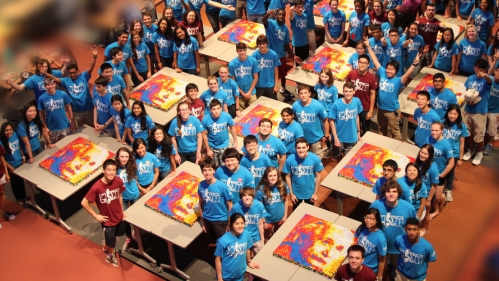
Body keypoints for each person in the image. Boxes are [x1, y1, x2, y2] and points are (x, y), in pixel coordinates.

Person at [365, 36, 421, 140]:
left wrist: (414, 64)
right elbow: (375, 59)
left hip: (392, 111)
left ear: (396, 71)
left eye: (392, 69)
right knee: (381, 128)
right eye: (388, 69)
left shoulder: (398, 80)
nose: (389, 71)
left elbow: (407, 75)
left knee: (395, 132)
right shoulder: (382, 72)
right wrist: (368, 46)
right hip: (380, 108)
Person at [81, 159, 126, 268]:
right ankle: (109, 255)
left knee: (114, 237)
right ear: (103, 171)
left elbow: (119, 195)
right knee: (112, 244)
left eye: (114, 170)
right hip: (107, 221)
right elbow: (84, 202)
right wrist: (96, 216)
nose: (111, 172)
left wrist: (122, 211)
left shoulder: (118, 181)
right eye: (109, 170)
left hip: (118, 217)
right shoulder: (97, 187)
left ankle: (106, 245)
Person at [369, 180, 416, 279]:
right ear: (384, 193)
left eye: (394, 191)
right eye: (388, 191)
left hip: (399, 249)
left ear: (398, 193)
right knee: (381, 269)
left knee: (398, 269)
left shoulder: (408, 208)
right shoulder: (376, 205)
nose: (391, 194)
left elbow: (414, 228)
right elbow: (367, 222)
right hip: (381, 248)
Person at [45, 46, 98, 127]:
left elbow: (91, 67)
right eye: (70, 73)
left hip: (89, 110)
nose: (72, 75)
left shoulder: (84, 76)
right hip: (76, 112)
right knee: (80, 132)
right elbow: (54, 78)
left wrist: (94, 56)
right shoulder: (65, 80)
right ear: (68, 73)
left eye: (74, 72)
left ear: (77, 71)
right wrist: (44, 73)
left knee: (93, 128)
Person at [263, 9, 301, 99]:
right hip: (270, 56)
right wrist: (268, 14)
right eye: (279, 14)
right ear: (276, 15)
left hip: (281, 55)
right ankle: (271, 92)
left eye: (283, 15)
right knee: (271, 75)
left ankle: (283, 89)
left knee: (283, 74)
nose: (281, 16)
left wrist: (293, 55)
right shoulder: (271, 23)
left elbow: (286, 44)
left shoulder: (285, 28)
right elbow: (263, 20)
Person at [462, 58, 492, 165]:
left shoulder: (486, 80)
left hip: (480, 112)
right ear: (474, 67)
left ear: (485, 69)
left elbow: (490, 81)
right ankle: (471, 150)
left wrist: (485, 75)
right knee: (468, 133)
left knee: (479, 135)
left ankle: (479, 153)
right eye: (476, 68)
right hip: (467, 110)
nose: (478, 70)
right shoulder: (470, 78)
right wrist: (467, 99)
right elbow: (465, 91)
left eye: (481, 69)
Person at [214, 213, 260, 281]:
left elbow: (247, 249)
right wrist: (220, 278)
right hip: (227, 276)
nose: (240, 226)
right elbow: (217, 260)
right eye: (237, 223)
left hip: (240, 274)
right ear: (231, 225)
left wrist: (249, 261)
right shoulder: (223, 240)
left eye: (242, 223)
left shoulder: (246, 234)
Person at [283, 137, 324, 210]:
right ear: (295, 148)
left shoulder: (315, 159)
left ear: (307, 147)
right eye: (298, 148)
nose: (301, 150)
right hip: (296, 194)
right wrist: (291, 194)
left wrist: (315, 193)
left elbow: (318, 176)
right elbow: (287, 177)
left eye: (303, 147)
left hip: (310, 193)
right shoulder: (290, 159)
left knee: (309, 214)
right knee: (296, 213)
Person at [198, 159, 234, 241]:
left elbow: (230, 205)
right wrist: (203, 222)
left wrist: (229, 222)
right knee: (213, 241)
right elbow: (200, 203)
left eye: (210, 169)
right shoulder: (201, 185)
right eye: (204, 170)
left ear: (214, 170)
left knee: (223, 243)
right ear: (202, 172)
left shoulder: (222, 186)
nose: (207, 173)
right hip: (207, 220)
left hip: (220, 221)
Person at [425, 122, 454, 220]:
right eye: (432, 130)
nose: (434, 132)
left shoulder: (446, 145)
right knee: (429, 192)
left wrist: (443, 174)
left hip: (439, 174)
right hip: (428, 171)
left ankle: (437, 209)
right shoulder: (428, 139)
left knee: (436, 197)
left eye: (436, 130)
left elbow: (451, 163)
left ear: (442, 131)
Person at [292, 85, 330, 159]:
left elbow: (325, 120)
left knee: (316, 159)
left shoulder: (318, 105)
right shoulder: (295, 105)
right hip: (301, 138)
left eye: (305, 93)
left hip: (316, 139)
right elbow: (294, 120)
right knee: (302, 158)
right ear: (298, 95)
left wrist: (326, 135)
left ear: (309, 93)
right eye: (301, 93)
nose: (303, 95)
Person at [345, 54, 378, 136]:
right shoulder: (351, 74)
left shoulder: (371, 78)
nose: (362, 64)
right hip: (352, 106)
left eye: (364, 63)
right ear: (358, 63)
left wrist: (371, 110)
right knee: (353, 127)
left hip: (365, 107)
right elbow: (346, 89)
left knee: (366, 129)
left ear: (368, 65)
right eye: (360, 62)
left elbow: (373, 94)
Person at [442, 105, 469, 202]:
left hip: (454, 154)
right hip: (442, 152)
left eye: (455, 114)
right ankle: (438, 187)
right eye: (450, 113)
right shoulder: (442, 123)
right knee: (441, 169)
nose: (452, 116)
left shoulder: (462, 126)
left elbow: (462, 143)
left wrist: (461, 158)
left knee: (450, 172)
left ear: (458, 114)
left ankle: (448, 189)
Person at [329, 82, 363, 159]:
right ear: (343, 92)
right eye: (346, 91)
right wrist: (335, 138)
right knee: (336, 157)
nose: (348, 93)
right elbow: (331, 121)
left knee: (349, 159)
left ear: (354, 91)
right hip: (339, 137)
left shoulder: (357, 101)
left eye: (350, 91)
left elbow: (357, 116)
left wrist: (358, 132)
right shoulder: (336, 104)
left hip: (351, 137)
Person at [115, 147, 140, 250]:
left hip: (134, 195)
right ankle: (129, 237)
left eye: (126, 157)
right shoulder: (114, 168)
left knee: (136, 217)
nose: (124, 159)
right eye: (122, 157)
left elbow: (136, 178)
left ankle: (137, 234)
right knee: (124, 219)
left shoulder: (133, 166)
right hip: (122, 198)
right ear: (117, 157)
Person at [255, 166, 288, 242]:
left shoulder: (283, 186)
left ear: (277, 176)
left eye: (274, 175)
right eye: (270, 176)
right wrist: (264, 222)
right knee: (267, 237)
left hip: (280, 218)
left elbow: (286, 201)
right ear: (266, 177)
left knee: (279, 237)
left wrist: (285, 215)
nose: (273, 178)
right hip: (268, 219)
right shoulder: (261, 189)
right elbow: (260, 207)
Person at [229, 187, 266, 254]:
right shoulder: (236, 207)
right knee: (243, 260)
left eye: (249, 195)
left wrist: (262, 240)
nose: (247, 198)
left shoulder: (259, 206)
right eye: (244, 195)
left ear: (252, 197)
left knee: (261, 257)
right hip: (241, 238)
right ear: (241, 197)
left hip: (255, 238)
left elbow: (260, 224)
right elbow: (232, 224)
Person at [38, 78, 74, 144]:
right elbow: (41, 113)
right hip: (52, 127)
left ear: (55, 84)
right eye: (48, 85)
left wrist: (72, 121)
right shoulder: (41, 98)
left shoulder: (63, 94)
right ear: (45, 86)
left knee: (68, 145)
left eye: (52, 84)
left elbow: (68, 106)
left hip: (65, 125)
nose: (50, 86)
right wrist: (45, 126)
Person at [202, 99, 238, 167]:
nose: (216, 111)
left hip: (224, 145)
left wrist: (236, 141)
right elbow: (204, 135)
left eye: (218, 108)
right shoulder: (206, 119)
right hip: (212, 146)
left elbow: (232, 128)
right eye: (214, 109)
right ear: (210, 110)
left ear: (221, 108)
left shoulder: (226, 116)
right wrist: (208, 149)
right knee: (214, 166)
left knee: (225, 165)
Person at [355, 208, 387, 279]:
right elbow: (356, 242)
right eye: (366, 217)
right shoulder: (362, 228)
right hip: (357, 265)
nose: (368, 220)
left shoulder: (380, 239)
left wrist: (379, 278)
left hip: (369, 270)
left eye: (372, 219)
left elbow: (382, 261)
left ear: (377, 221)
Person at [0, 122, 26, 209]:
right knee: (15, 183)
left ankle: (24, 196)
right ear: (3, 131)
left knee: (21, 181)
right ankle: (19, 198)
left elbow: (19, 146)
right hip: (11, 166)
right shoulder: (1, 142)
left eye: (10, 129)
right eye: (6, 130)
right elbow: (2, 158)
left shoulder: (15, 135)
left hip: (20, 162)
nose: (9, 132)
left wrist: (23, 156)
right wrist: (10, 167)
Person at [415, 144, 439, 235]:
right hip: (417, 191)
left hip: (427, 194)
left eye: (425, 154)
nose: (422, 155)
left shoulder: (433, 168)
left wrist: (429, 199)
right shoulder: (418, 162)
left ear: (430, 155)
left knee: (426, 213)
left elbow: (434, 185)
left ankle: (425, 228)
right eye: (422, 152)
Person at [229, 43, 261, 110]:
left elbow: (256, 78)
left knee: (254, 110)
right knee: (241, 114)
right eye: (240, 50)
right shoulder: (232, 64)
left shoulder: (253, 61)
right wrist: (243, 93)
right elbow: (233, 82)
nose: (242, 52)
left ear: (246, 50)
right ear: (237, 51)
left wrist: (249, 92)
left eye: (244, 50)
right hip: (239, 93)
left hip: (251, 91)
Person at [251, 35, 281, 100]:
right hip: (258, 86)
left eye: (264, 44)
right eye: (260, 44)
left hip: (270, 85)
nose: (262, 46)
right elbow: (251, 71)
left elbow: (276, 70)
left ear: (267, 44)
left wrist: (276, 85)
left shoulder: (273, 55)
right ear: (257, 45)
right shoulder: (254, 56)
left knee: (273, 105)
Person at [485, 55, 499, 156]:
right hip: (484, 107)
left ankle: (489, 144)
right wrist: (495, 61)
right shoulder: (490, 79)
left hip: (495, 110)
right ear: (495, 71)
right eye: (498, 71)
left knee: (492, 129)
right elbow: (488, 73)